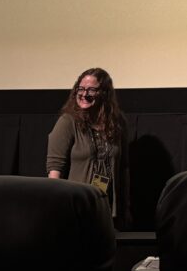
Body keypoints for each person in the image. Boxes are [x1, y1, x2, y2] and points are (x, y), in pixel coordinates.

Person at [47, 67, 129, 223]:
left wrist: (126, 207)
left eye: (91, 90)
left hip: (107, 207)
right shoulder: (68, 122)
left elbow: (124, 167)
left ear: (104, 93)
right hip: (76, 206)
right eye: (81, 89)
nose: (84, 94)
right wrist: (54, 207)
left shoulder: (118, 122)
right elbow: (55, 169)